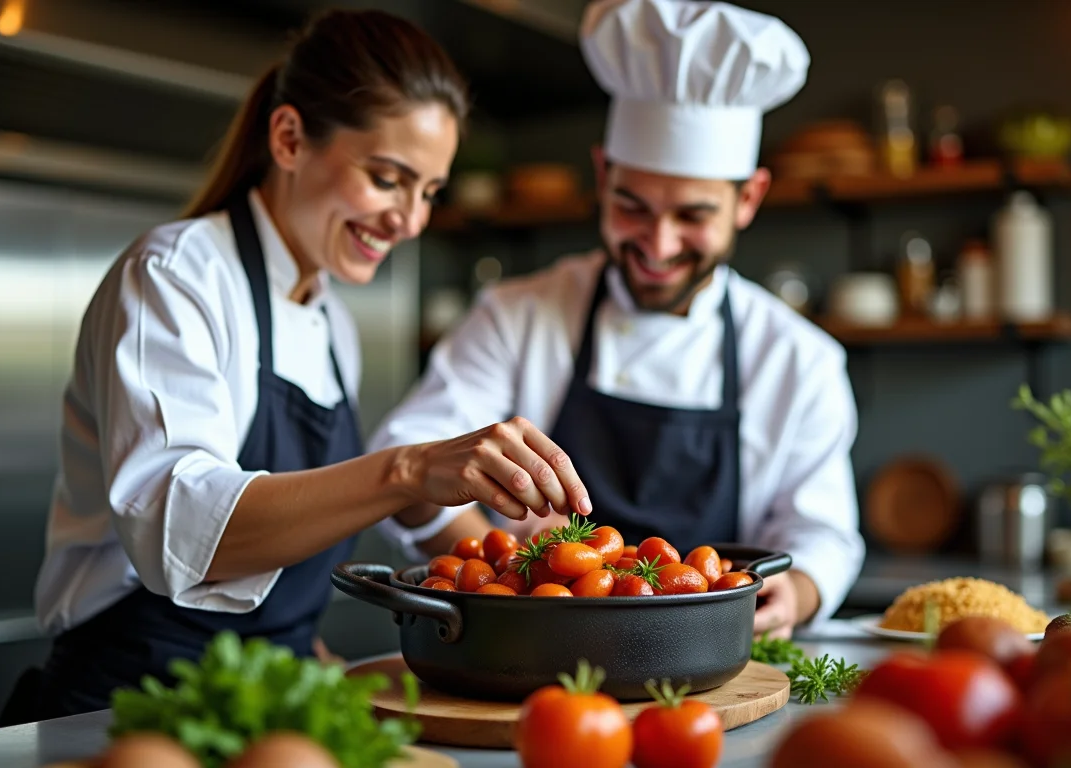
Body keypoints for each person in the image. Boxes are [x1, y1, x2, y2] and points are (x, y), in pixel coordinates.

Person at [3, 8, 590, 724]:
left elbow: (278, 573)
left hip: (264, 702)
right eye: (387, 178)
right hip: (136, 707)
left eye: (429, 192)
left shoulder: (328, 316)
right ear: (288, 138)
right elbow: (181, 529)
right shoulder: (175, 276)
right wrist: (404, 470)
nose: (409, 220)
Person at [370, 0, 865, 638]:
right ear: (602, 177)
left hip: (703, 661)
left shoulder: (799, 359)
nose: (657, 245)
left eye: (691, 216)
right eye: (632, 206)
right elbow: (406, 458)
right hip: (532, 651)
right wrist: (506, 580)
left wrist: (793, 596)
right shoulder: (516, 316)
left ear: (748, 199)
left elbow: (822, 535)